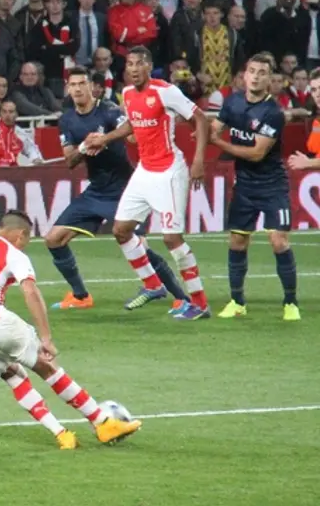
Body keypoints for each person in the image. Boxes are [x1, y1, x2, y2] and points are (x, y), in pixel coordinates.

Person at [0, 210, 143, 450]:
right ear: (21, 235)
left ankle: (61, 434)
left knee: (12, 375)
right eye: (26, 241)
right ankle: (103, 423)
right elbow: (30, 292)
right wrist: (46, 338)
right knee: (47, 366)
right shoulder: (12, 253)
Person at [45, 67, 190, 313]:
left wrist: (108, 138)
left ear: (92, 87)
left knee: (139, 246)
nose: (78, 89)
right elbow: (69, 161)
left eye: (82, 83)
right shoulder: (67, 120)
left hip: (124, 189)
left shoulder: (109, 110)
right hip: (96, 190)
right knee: (53, 239)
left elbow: (133, 135)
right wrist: (84, 147)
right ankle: (80, 296)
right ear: (68, 89)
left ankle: (181, 297)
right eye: (73, 85)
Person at [84, 46, 213, 319]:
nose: (133, 68)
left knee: (171, 239)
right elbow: (132, 124)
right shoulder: (128, 94)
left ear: (149, 66)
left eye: (138, 63)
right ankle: (153, 285)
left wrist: (199, 160)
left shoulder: (165, 91)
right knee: (121, 230)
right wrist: (105, 139)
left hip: (169, 171)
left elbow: (200, 119)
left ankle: (200, 304)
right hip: (144, 170)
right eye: (129, 64)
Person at [210, 53, 300, 322]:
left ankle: (290, 302)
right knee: (237, 241)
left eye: (262, 72)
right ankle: (237, 301)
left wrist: (219, 143)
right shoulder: (233, 101)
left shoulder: (273, 113)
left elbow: (257, 153)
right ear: (244, 75)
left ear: (270, 79)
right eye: (252, 71)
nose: (256, 77)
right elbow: (214, 127)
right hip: (245, 187)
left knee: (279, 241)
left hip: (273, 187)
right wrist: (205, 132)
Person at [0, 99, 47, 167]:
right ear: (0, 113)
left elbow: (31, 148)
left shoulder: (20, 133)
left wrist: (36, 159)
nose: (7, 115)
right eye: (4, 111)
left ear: (16, 114)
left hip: (14, 171)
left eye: (11, 112)